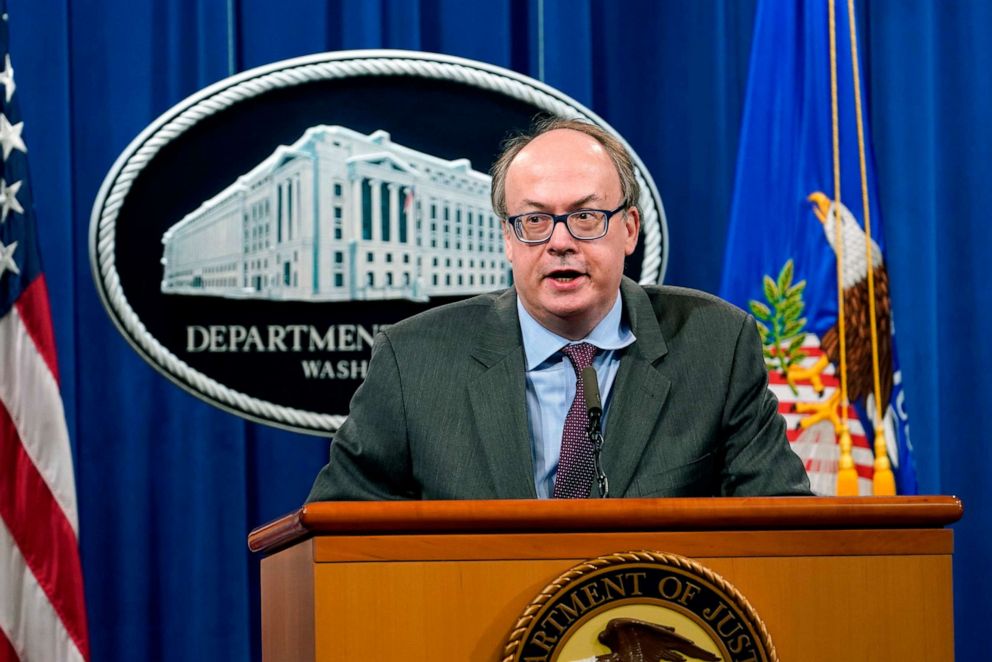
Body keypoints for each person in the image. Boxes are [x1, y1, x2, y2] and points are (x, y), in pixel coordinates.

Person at [307, 117, 811, 501]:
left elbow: (780, 529)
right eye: (534, 220)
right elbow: (338, 538)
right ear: (508, 238)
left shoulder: (715, 346)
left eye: (586, 217)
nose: (560, 242)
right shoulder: (414, 361)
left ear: (630, 228)